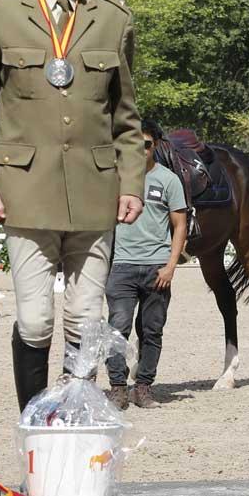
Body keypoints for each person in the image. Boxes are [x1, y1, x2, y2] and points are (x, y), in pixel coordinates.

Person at [0, 0, 147, 413]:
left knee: (87, 319)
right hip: (25, 192)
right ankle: (35, 419)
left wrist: (132, 182)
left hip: (94, 192)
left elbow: (126, 115)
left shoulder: (113, 18)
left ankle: (72, 415)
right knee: (36, 319)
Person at [105, 120, 188, 409]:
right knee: (117, 328)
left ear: (155, 146)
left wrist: (171, 266)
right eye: (134, 144)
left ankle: (143, 387)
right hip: (121, 267)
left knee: (152, 330)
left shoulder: (169, 180)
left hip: (156, 269)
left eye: (146, 144)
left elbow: (180, 226)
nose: (140, 149)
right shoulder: (113, 179)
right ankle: (117, 387)